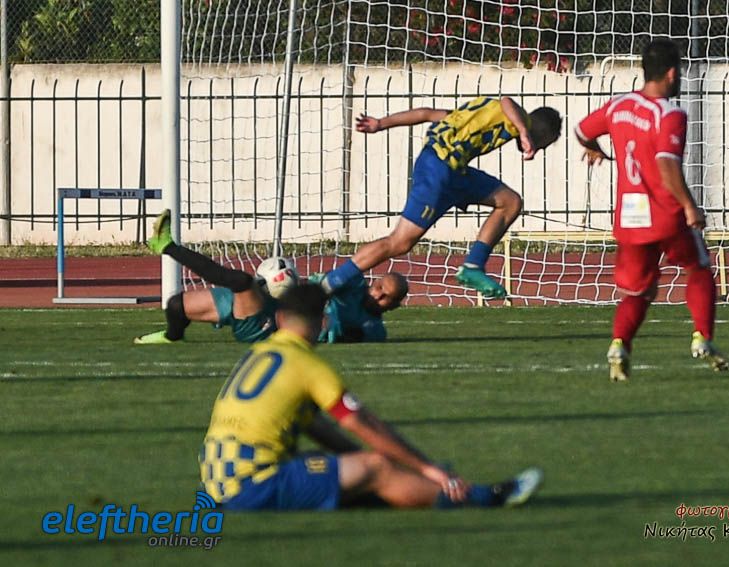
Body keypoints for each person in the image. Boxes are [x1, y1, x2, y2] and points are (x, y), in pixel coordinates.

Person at [199, 283, 543, 511]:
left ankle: (403, 491)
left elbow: (316, 426)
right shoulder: (306, 364)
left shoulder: (260, 353)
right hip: (251, 487)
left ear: (278, 318)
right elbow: (363, 423)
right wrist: (427, 468)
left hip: (217, 480)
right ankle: (481, 498)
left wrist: (364, 458)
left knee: (350, 466)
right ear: (322, 321)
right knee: (376, 468)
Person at [574, 38, 729, 382]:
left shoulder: (618, 106)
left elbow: (581, 130)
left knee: (638, 290)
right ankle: (702, 336)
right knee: (698, 268)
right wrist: (689, 205)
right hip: (665, 213)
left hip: (630, 215)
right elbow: (666, 165)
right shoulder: (669, 114)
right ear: (672, 73)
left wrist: (595, 147)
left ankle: (619, 345)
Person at [320, 96, 563, 300]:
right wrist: (524, 131)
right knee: (400, 242)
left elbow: (426, 113)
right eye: (544, 144)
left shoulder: (473, 114)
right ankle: (332, 281)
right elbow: (507, 101)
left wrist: (381, 123)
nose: (539, 148)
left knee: (510, 201)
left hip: (454, 171)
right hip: (438, 170)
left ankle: (473, 266)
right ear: (544, 133)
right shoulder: (519, 118)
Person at [133, 209, 407, 345]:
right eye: (379, 287)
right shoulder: (355, 285)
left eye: (386, 297)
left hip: (271, 327)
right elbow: (327, 282)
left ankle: (167, 246)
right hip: (274, 303)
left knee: (242, 282)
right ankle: (171, 338)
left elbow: (342, 333)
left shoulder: (374, 329)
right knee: (176, 306)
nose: (379, 295)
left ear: (394, 306)